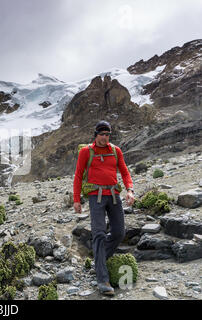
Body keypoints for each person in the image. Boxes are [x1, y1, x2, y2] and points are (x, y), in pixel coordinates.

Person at [73, 120, 135, 296]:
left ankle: (99, 261)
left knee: (119, 233)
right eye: (102, 134)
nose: (105, 138)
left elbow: (124, 172)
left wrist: (129, 190)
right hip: (96, 197)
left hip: (114, 195)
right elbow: (78, 175)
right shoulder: (86, 152)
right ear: (96, 135)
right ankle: (102, 279)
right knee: (99, 233)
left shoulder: (115, 151)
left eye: (107, 134)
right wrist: (76, 200)